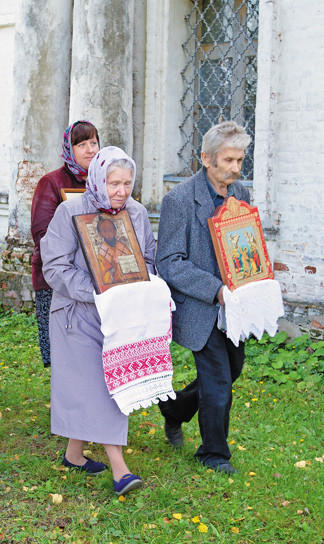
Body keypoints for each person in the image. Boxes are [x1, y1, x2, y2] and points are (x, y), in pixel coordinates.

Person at [41, 146, 155, 496]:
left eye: (127, 183)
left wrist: (139, 281)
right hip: (77, 312)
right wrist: (98, 289)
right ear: (97, 179)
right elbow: (54, 268)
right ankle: (120, 469)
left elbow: (148, 257)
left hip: (119, 314)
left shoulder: (136, 212)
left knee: (104, 382)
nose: (121, 191)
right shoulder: (71, 210)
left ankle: (74, 454)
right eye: (113, 183)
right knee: (100, 384)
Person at [156, 121, 252, 475]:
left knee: (234, 369)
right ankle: (214, 455)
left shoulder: (239, 193)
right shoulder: (178, 200)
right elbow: (168, 262)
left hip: (235, 307)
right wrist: (215, 290)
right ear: (206, 159)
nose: (236, 168)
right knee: (218, 382)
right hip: (200, 306)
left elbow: (247, 245)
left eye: (240, 160)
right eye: (229, 160)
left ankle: (174, 409)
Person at [31, 120, 100, 368]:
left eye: (94, 142)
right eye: (82, 144)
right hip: (56, 280)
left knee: (90, 348)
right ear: (69, 149)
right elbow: (41, 233)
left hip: (97, 276)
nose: (90, 150)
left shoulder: (102, 183)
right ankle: (64, 401)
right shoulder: (52, 183)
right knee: (62, 348)